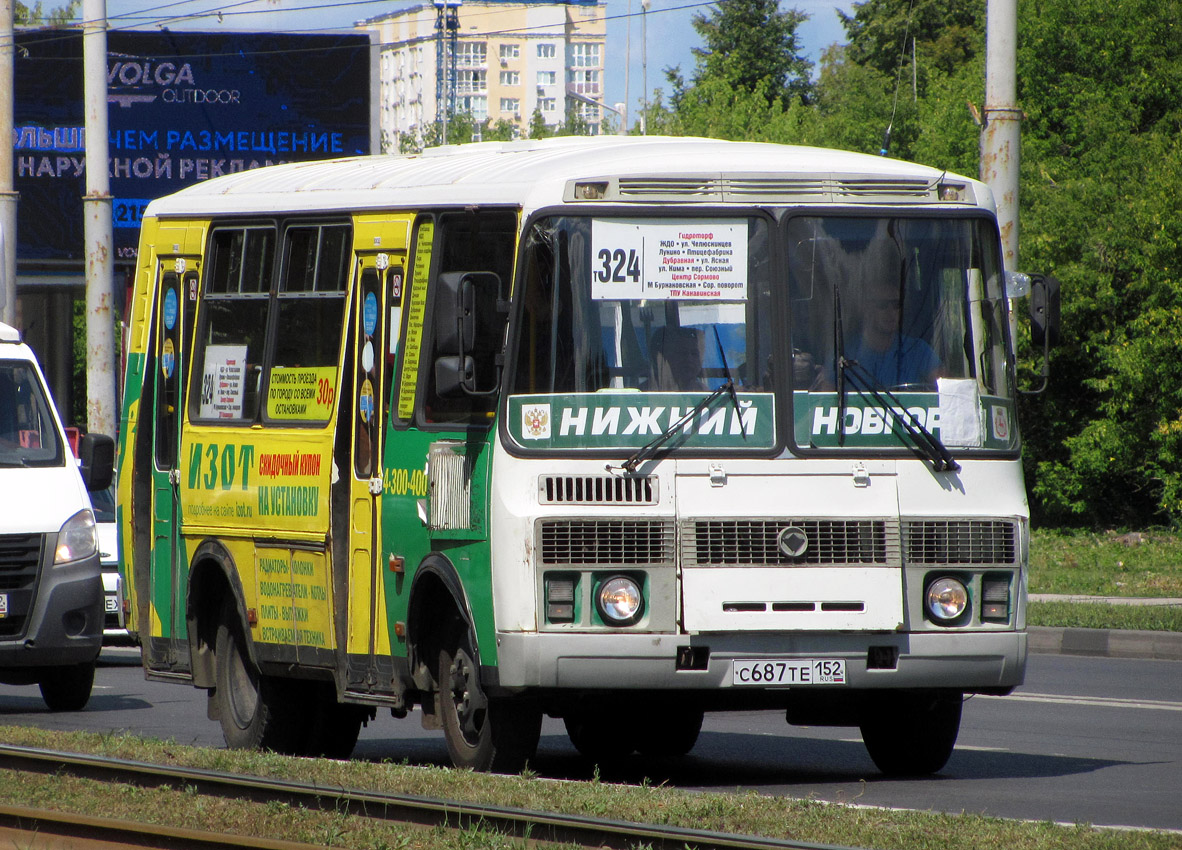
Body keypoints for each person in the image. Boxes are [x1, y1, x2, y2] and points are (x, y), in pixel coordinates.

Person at [845, 284, 942, 389]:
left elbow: (947, 389)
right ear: (867, 309)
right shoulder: (845, 354)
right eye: (882, 305)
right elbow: (827, 394)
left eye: (896, 305)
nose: (890, 312)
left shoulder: (918, 350)